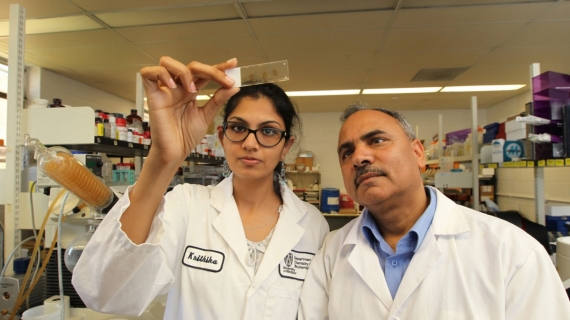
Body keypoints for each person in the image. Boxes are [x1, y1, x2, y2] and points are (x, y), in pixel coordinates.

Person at [72, 57, 329, 319]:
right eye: (239, 128)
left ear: (286, 146)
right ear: (222, 137)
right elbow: (106, 293)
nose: (251, 143)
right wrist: (162, 158)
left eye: (269, 131)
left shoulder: (313, 225)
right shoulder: (187, 205)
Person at [299, 102, 570, 319]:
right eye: (347, 153)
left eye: (377, 140)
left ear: (418, 153)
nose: (359, 157)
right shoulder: (331, 254)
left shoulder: (512, 251)